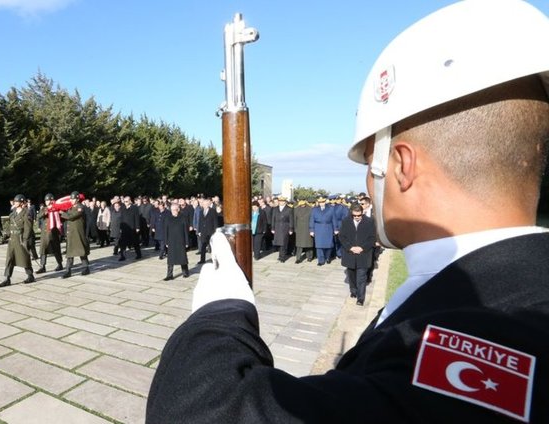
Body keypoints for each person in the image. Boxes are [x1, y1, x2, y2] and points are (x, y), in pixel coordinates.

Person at [146, 1, 549, 422]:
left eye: (368, 164)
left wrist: (219, 314)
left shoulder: (471, 341)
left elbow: (199, 411)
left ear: (402, 166)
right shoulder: (504, 298)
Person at [339, 204, 376, 305]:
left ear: (362, 213)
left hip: (363, 254)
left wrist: (362, 248)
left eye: (359, 215)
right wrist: (350, 247)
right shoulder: (345, 221)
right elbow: (342, 237)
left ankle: (360, 298)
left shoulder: (369, 221)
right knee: (351, 274)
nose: (357, 217)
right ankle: (353, 291)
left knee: (361, 277)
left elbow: (372, 238)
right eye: (354, 216)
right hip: (349, 253)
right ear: (351, 213)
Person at [0, 194, 35, 287]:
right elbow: (10, 226)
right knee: (9, 259)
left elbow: (28, 228)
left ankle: (30, 276)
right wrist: (5, 235)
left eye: (17, 201)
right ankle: (7, 278)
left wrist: (25, 240)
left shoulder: (27, 213)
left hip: (21, 240)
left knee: (24, 258)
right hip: (12, 240)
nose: (15, 203)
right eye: (15, 201)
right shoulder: (13, 212)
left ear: (22, 203)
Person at [60, 191, 90, 278]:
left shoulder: (80, 207)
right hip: (71, 233)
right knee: (70, 252)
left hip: (78, 233)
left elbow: (71, 216)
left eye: (73, 199)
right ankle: (68, 270)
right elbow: (68, 216)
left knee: (81, 251)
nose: (72, 200)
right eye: (71, 199)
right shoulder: (70, 207)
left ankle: (85, 267)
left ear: (77, 199)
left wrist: (62, 213)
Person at [35, 193, 64, 274]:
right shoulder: (44, 209)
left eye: (49, 200)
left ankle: (60, 264)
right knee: (43, 250)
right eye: (46, 200)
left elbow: (61, 219)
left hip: (53, 232)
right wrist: (45, 212)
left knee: (56, 249)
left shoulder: (56, 208)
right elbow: (38, 216)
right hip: (44, 233)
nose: (48, 202)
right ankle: (42, 266)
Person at [163, 202, 189, 280]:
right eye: (172, 210)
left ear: (178, 209)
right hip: (171, 241)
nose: (174, 211)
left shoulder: (183, 217)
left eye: (175, 210)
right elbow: (165, 231)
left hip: (181, 240)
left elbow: (186, 231)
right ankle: (169, 275)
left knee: (182, 257)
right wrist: (166, 242)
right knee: (171, 259)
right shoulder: (168, 218)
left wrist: (187, 242)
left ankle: (185, 272)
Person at [309, 196, 338, 266]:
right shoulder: (314, 209)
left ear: (325, 202)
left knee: (329, 245)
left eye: (322, 202)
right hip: (318, 228)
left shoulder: (331, 209)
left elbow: (334, 220)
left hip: (328, 228)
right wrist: (311, 230)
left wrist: (336, 229)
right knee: (319, 246)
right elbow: (311, 220)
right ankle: (321, 260)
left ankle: (327, 257)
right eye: (320, 202)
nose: (321, 203)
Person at [118, 196, 142, 261]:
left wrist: (137, 227)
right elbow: (121, 218)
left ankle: (139, 254)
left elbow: (137, 218)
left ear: (129, 201)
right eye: (124, 201)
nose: (125, 203)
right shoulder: (123, 208)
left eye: (126, 201)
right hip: (125, 229)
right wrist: (121, 227)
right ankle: (122, 256)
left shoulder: (134, 208)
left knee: (135, 242)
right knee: (123, 243)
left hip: (132, 228)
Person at [271, 196, 294, 262]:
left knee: (284, 243)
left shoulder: (289, 209)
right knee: (279, 243)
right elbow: (273, 219)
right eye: (280, 201)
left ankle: (283, 257)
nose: (281, 202)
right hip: (277, 227)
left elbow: (291, 220)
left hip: (285, 227)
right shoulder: (275, 209)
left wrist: (291, 229)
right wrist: (272, 228)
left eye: (283, 201)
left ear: (285, 202)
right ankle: (280, 255)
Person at [196, 198, 218, 264]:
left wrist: (215, 230)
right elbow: (199, 222)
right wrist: (199, 231)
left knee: (212, 246)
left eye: (206, 204)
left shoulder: (213, 211)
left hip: (211, 231)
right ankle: (202, 260)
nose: (205, 205)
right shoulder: (200, 212)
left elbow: (215, 221)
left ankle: (214, 259)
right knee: (203, 246)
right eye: (203, 204)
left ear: (208, 204)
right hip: (203, 231)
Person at [293, 199, 314, 263]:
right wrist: (295, 229)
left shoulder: (310, 209)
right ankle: (298, 258)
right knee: (299, 245)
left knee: (308, 244)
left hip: (308, 228)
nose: (302, 202)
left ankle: (309, 257)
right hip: (299, 229)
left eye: (303, 200)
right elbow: (294, 220)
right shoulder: (296, 209)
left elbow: (312, 219)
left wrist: (312, 229)